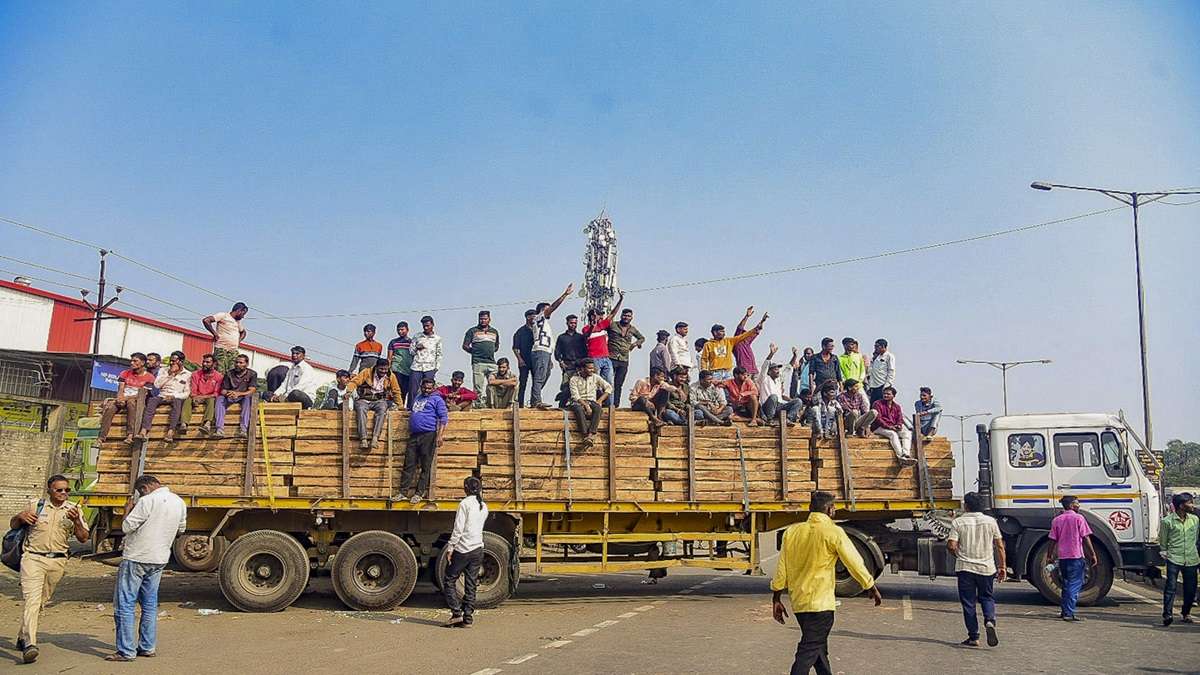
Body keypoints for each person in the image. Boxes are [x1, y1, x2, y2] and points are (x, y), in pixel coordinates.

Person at [771, 490, 882, 675]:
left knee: (818, 649)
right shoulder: (833, 532)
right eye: (834, 508)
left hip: (799, 604)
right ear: (830, 510)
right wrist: (870, 585)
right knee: (808, 651)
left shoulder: (792, 532)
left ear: (809, 508)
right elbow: (854, 562)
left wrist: (776, 598)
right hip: (821, 605)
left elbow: (782, 569)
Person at [105, 474, 186, 662]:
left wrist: (127, 510)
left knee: (125, 604)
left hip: (136, 557)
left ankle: (126, 651)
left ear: (144, 488)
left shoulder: (146, 501)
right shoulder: (179, 502)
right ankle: (147, 647)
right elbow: (181, 529)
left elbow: (126, 527)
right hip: (159, 558)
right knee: (149, 604)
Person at [11, 475, 89, 664]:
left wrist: (77, 521)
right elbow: (14, 525)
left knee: (40, 602)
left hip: (57, 562)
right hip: (33, 558)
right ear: (49, 490)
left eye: (66, 490)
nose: (63, 493)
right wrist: (20, 517)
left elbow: (83, 538)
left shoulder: (74, 509)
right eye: (59, 490)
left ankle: (22, 635)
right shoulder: (35, 505)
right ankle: (30, 644)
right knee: (32, 599)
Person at [947, 491, 1006, 647]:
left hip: (965, 567)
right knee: (987, 597)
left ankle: (974, 637)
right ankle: (989, 620)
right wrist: (1002, 567)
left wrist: (958, 554)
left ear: (966, 506)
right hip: (986, 568)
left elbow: (951, 545)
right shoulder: (991, 521)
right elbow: (999, 545)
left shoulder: (958, 522)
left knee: (968, 602)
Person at [443, 476, 489, 628]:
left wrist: (451, 548)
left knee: (449, 579)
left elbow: (458, 529)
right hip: (478, 549)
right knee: (471, 584)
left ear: (466, 489)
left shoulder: (464, 504)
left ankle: (456, 614)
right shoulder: (483, 506)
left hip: (463, 549)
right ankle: (468, 618)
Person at [1048, 495, 1099, 622]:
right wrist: (1092, 554)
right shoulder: (1079, 518)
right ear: (1071, 505)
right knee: (1074, 585)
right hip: (1076, 556)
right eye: (1077, 503)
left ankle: (1065, 610)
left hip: (1063, 558)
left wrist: (1050, 556)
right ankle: (1069, 613)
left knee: (1066, 584)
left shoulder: (1057, 520)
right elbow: (1086, 537)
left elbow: (1052, 540)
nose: (1079, 505)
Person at [400, 378, 448, 503]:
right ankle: (403, 492)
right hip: (414, 435)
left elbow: (443, 418)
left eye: (429, 388)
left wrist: (440, 435)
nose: (427, 390)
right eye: (425, 388)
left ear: (433, 388)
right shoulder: (417, 397)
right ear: (421, 387)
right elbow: (412, 411)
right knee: (409, 464)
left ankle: (419, 493)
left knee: (425, 465)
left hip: (428, 435)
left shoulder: (437, 399)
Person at [530, 284, 574, 409]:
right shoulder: (539, 318)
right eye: (547, 309)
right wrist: (565, 295)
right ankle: (536, 401)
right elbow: (554, 307)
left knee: (545, 375)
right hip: (541, 350)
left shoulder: (544, 323)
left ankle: (535, 397)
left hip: (546, 352)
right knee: (539, 377)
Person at [99, 352, 156, 445]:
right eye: (131, 361)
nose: (132, 363)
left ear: (142, 363)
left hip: (136, 399)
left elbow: (142, 395)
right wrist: (119, 398)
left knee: (131, 404)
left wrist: (125, 398)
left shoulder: (149, 377)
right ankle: (101, 437)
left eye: (135, 361)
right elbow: (121, 388)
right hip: (123, 397)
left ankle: (130, 434)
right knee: (110, 407)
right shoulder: (124, 373)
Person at [1159, 492, 1197, 626]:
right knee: (1171, 587)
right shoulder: (1167, 521)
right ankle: (1167, 614)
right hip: (1174, 558)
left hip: (1192, 559)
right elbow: (1163, 541)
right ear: (1181, 506)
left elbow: (1196, 538)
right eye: (1190, 503)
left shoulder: (1194, 520)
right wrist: (1165, 553)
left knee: (1191, 589)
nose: (1192, 505)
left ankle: (1186, 613)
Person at [347, 359, 404, 449]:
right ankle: (363, 439)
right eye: (381, 369)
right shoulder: (367, 372)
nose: (383, 371)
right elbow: (354, 382)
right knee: (361, 409)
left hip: (379, 400)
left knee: (383, 408)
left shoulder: (390, 376)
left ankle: (375, 438)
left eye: (385, 369)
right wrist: (349, 391)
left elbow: (396, 391)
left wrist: (400, 406)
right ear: (376, 367)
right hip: (364, 399)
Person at [701, 307, 765, 381]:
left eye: (724, 331)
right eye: (721, 331)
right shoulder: (708, 344)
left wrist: (756, 328)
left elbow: (745, 335)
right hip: (715, 372)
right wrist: (704, 371)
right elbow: (704, 359)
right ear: (715, 333)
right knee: (718, 392)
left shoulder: (729, 341)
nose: (723, 333)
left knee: (729, 392)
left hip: (727, 372)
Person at [140, 354, 192, 443]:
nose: (171, 363)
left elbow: (187, 393)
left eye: (174, 361)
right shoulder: (163, 370)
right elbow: (157, 385)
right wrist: (169, 374)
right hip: (162, 395)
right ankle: (144, 430)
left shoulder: (188, 374)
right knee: (151, 401)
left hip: (175, 396)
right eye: (171, 361)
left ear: (181, 362)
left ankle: (170, 432)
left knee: (177, 403)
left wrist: (174, 396)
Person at [581, 291, 626, 386]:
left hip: (606, 358)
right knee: (595, 382)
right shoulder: (586, 329)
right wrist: (592, 327)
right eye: (598, 315)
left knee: (609, 384)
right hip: (594, 358)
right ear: (592, 316)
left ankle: (609, 401)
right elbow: (586, 336)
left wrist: (620, 300)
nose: (600, 316)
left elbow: (612, 314)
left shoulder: (602, 325)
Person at [567, 358, 612, 448]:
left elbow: (609, 387)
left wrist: (600, 401)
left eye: (593, 368)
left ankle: (591, 435)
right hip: (578, 402)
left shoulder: (595, 377)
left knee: (598, 409)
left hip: (592, 401)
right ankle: (584, 434)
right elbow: (575, 396)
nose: (592, 370)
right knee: (579, 410)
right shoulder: (574, 379)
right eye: (590, 368)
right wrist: (586, 406)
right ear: (582, 369)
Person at [757, 344, 803, 425]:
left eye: (778, 369)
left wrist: (795, 356)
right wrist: (771, 354)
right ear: (769, 371)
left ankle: (788, 419)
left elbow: (789, 367)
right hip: (768, 406)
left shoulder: (778, 380)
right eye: (775, 369)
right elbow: (764, 366)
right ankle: (769, 420)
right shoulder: (764, 378)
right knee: (773, 397)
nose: (778, 371)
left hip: (779, 406)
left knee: (798, 401)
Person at [461, 310, 500, 407]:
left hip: (492, 362)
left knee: (494, 385)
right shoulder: (472, 331)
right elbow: (465, 346)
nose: (483, 321)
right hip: (478, 362)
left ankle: (493, 404)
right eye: (481, 319)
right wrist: (475, 352)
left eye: (485, 319)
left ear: (489, 319)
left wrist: (488, 351)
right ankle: (478, 405)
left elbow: (496, 347)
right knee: (478, 386)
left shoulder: (494, 331)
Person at [607, 305, 644, 405]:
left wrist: (635, 344)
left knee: (619, 383)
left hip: (624, 359)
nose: (626, 317)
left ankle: (615, 404)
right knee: (608, 382)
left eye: (628, 316)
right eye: (624, 315)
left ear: (631, 317)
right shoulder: (613, 325)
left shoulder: (632, 329)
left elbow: (641, 338)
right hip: (611, 357)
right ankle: (606, 403)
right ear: (621, 316)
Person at [214, 354, 257, 438]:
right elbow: (223, 390)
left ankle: (243, 429)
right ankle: (219, 429)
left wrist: (239, 394)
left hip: (243, 397)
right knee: (220, 399)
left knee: (248, 399)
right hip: (230, 396)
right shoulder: (229, 373)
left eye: (241, 363)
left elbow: (252, 390)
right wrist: (229, 393)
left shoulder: (252, 374)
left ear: (246, 364)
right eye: (236, 362)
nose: (238, 364)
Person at [202, 302, 248, 374]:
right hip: (221, 350)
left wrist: (238, 341)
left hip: (233, 351)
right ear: (239, 310)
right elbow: (206, 320)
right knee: (219, 373)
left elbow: (244, 332)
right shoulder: (223, 316)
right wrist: (214, 334)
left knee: (232, 374)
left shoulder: (237, 322)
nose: (243, 316)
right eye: (243, 313)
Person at [408, 316, 443, 410]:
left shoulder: (437, 338)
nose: (426, 328)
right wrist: (416, 348)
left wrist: (436, 368)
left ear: (432, 325)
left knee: (428, 389)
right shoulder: (417, 336)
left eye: (428, 325)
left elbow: (439, 354)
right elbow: (411, 351)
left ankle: (427, 408)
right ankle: (411, 409)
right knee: (413, 389)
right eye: (424, 326)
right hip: (416, 366)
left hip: (430, 367)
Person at [553, 314, 587, 408]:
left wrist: (583, 366)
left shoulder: (580, 337)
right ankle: (562, 406)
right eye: (571, 323)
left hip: (579, 367)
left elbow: (585, 352)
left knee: (579, 387)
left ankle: (577, 405)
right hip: (567, 366)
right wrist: (560, 362)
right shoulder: (561, 337)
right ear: (567, 323)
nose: (573, 325)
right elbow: (557, 352)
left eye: (575, 323)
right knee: (566, 387)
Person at [871, 387, 913, 462]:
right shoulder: (877, 404)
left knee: (907, 433)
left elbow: (900, 418)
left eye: (888, 394)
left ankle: (906, 454)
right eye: (884, 394)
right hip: (879, 427)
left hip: (893, 427)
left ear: (893, 396)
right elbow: (878, 419)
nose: (885, 395)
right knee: (893, 434)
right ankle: (901, 456)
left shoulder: (897, 406)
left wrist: (899, 425)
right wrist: (889, 427)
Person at [190, 353, 222, 437]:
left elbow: (216, 393)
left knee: (211, 400)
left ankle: (207, 424)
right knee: (187, 400)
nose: (204, 364)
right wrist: (195, 397)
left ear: (214, 364)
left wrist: (202, 397)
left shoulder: (219, 377)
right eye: (203, 362)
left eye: (207, 362)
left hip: (209, 398)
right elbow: (193, 390)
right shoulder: (195, 374)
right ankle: (183, 424)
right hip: (197, 397)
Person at [512, 310, 537, 407]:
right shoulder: (520, 331)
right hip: (524, 361)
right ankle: (520, 404)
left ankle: (534, 402)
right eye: (531, 316)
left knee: (536, 382)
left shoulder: (537, 330)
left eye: (535, 316)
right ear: (527, 317)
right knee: (523, 383)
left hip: (536, 360)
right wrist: (520, 360)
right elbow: (515, 348)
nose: (533, 318)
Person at [387, 322, 414, 406]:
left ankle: (401, 408)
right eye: (398, 330)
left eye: (402, 329)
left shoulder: (412, 342)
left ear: (407, 330)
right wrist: (388, 370)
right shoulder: (393, 342)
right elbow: (389, 357)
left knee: (405, 390)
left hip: (408, 370)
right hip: (396, 369)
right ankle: (397, 406)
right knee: (396, 389)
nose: (400, 331)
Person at [732, 305, 764, 376]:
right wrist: (746, 316)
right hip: (744, 371)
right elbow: (740, 327)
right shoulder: (736, 343)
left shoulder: (747, 342)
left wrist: (762, 321)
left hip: (754, 370)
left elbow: (756, 330)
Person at [866, 339, 896, 404]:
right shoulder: (876, 357)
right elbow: (871, 371)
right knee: (873, 406)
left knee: (882, 405)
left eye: (877, 346)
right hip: (873, 386)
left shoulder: (889, 356)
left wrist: (887, 385)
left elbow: (891, 371)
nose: (875, 348)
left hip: (882, 385)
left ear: (883, 346)